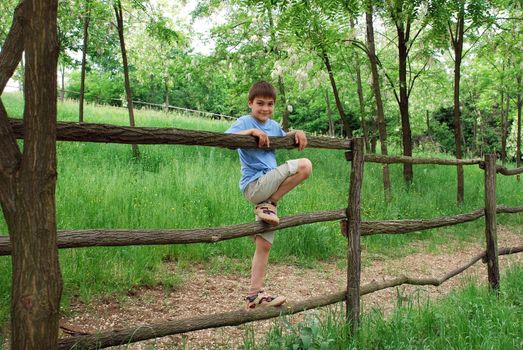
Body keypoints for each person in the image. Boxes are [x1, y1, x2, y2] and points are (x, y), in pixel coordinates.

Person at [225, 81, 312, 309]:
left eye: (270, 104)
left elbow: (286, 137)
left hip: (269, 185)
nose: (265, 108)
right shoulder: (245, 121)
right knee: (305, 166)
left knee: (264, 244)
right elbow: (226, 138)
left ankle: (255, 295)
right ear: (250, 103)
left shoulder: (273, 126)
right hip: (255, 185)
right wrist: (251, 132)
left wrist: (297, 132)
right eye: (260, 103)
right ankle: (270, 203)